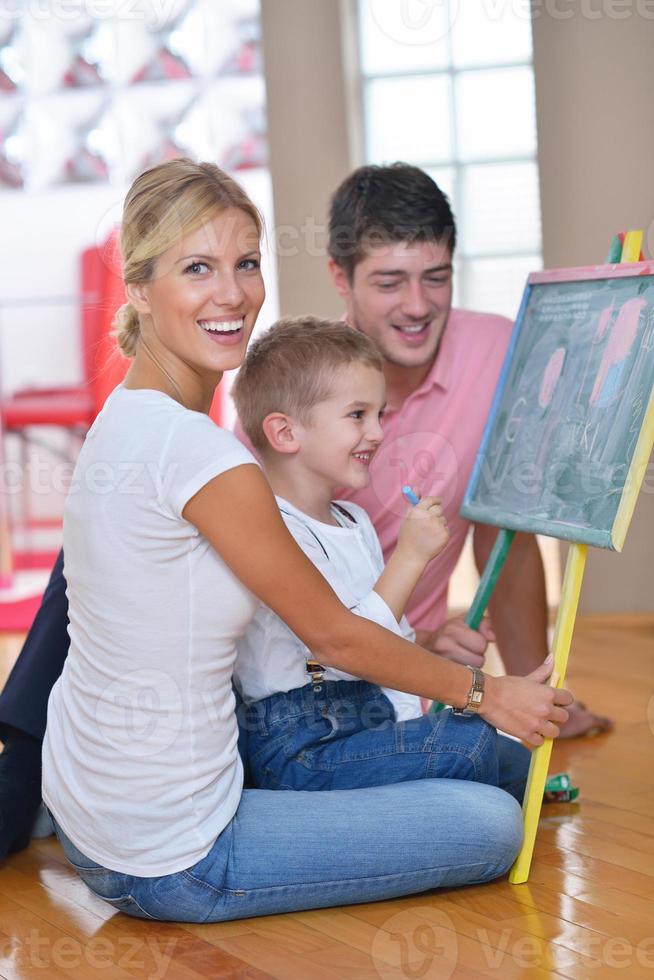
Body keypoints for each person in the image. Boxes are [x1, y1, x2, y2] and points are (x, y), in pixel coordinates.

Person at [8, 159, 572, 921]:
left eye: (246, 264)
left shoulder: (122, 419)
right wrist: (490, 693)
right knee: (494, 825)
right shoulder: (210, 461)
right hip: (177, 855)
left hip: (93, 816)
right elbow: (334, 637)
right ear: (138, 288)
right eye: (197, 268)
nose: (233, 292)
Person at [325, 163, 612, 739]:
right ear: (341, 277)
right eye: (388, 282)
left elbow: (506, 534)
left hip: (426, 684)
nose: (417, 305)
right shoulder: (299, 389)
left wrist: (542, 698)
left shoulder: (497, 350)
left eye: (436, 277)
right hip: (315, 678)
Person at [231, 315, 530, 802]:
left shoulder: (354, 521)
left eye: (380, 415)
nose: (377, 433)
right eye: (357, 415)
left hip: (367, 723)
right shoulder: (271, 528)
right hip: (301, 747)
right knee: (473, 748)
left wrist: (420, 729)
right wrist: (410, 558)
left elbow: (395, 646)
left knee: (506, 755)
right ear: (285, 433)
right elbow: (346, 651)